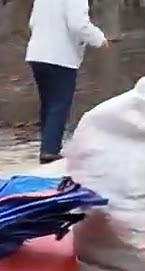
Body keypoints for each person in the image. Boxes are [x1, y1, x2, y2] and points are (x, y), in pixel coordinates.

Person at [26, 0, 108, 164]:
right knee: (59, 103)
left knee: (48, 103)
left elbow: (32, 22)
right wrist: (99, 38)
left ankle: (48, 143)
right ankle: (50, 149)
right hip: (60, 55)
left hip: (37, 53)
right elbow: (78, 24)